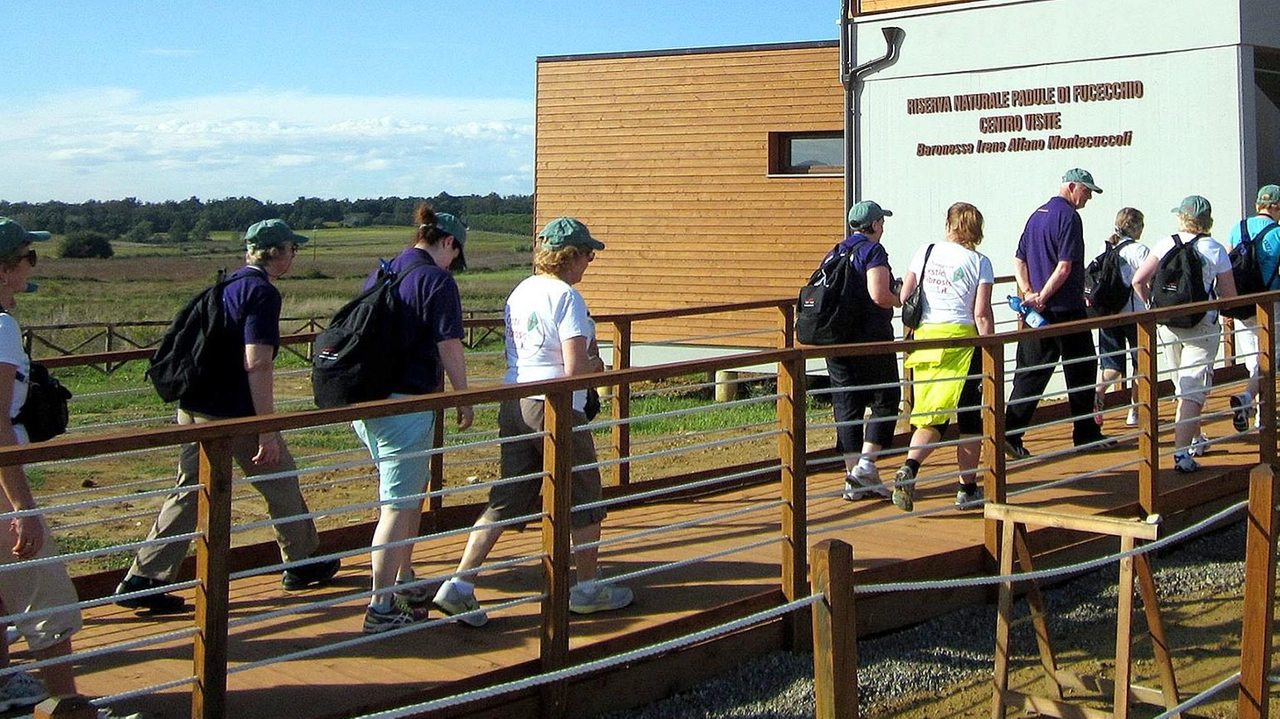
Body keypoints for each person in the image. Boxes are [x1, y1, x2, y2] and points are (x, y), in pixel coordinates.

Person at [115, 219, 338, 613]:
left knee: (190, 491)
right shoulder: (262, 293)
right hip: (233, 413)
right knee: (280, 478)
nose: (294, 256)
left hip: (194, 405)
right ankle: (302, 562)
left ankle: (144, 577)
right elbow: (258, 363)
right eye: (292, 249)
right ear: (277, 253)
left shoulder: (227, 284)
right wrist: (265, 429)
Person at [432, 217, 632, 626]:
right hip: (554, 407)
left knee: (508, 496)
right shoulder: (567, 298)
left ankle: (459, 584)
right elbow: (576, 368)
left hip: (515, 399)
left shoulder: (520, 290)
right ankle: (588, 588)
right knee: (585, 495)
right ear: (571, 256)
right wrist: (598, 364)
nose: (589, 264)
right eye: (588, 255)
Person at [355, 205, 474, 634]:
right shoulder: (436, 281)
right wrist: (463, 396)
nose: (453, 267)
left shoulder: (385, 271)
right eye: (454, 257)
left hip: (370, 402)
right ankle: (379, 607)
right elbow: (450, 344)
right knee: (398, 504)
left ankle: (402, 581)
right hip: (405, 406)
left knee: (405, 493)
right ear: (447, 243)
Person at [0, 219, 81, 711]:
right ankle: (68, 705)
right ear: (5, 267)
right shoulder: (1, 327)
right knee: (45, 595)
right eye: (28, 256)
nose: (34, 264)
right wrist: (21, 506)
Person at [891, 203, 994, 512]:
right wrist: (991, 349)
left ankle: (910, 466)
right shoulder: (980, 262)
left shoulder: (925, 251)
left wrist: (909, 333)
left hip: (925, 341)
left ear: (949, 224)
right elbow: (982, 313)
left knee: (929, 414)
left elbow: (905, 298)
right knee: (969, 419)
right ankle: (967, 488)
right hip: (963, 343)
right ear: (976, 227)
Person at [1004, 168, 1110, 458]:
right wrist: (1042, 297)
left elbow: (1018, 259)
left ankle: (1010, 433)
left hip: (1036, 313)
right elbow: (1065, 266)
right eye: (1086, 191)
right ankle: (1084, 433)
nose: (1088, 197)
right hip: (1065, 309)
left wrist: (1029, 293)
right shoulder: (1069, 217)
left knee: (1031, 373)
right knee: (1082, 368)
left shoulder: (1037, 214)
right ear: (1072, 187)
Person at [1131, 196, 1236, 473]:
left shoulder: (1166, 243)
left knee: (1183, 385)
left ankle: (1196, 438)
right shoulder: (1214, 249)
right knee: (1192, 391)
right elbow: (1230, 296)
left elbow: (1137, 280)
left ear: (1182, 217)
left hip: (1168, 324)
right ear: (1207, 220)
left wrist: (1153, 308)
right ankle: (1181, 455)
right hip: (1202, 326)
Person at [827, 201, 903, 502]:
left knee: (848, 406)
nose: (882, 226)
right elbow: (879, 295)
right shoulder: (873, 252)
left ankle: (854, 480)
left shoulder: (837, 251)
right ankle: (866, 467)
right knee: (886, 400)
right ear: (872, 225)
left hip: (836, 341)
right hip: (870, 340)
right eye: (880, 222)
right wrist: (900, 298)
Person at [1225, 184, 1280, 432]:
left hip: (1242, 302)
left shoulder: (1239, 227)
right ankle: (1250, 402)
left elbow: (1227, 261)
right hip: (1270, 301)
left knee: (1253, 359)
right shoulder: (1278, 232)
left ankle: (1259, 414)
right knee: (1271, 357)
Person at [1093, 208, 1151, 429]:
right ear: (1137, 227)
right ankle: (1134, 411)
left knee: (1112, 366)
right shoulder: (1140, 250)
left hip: (1109, 313)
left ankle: (1097, 394)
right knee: (1141, 363)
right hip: (1135, 315)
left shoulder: (1106, 247)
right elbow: (1147, 281)